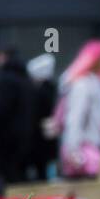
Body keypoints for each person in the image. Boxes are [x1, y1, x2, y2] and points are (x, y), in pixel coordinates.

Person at [51, 40, 100, 180]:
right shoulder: (83, 85)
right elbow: (75, 118)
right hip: (82, 152)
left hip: (88, 148)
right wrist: (73, 150)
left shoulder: (95, 84)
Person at [0, 47, 32, 194]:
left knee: (6, 172)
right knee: (16, 172)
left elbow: (3, 108)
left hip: (7, 135)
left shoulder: (6, 79)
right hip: (24, 134)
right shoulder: (24, 78)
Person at [25, 53, 59, 181]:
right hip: (47, 136)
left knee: (42, 167)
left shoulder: (41, 92)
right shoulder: (51, 90)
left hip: (41, 136)